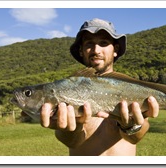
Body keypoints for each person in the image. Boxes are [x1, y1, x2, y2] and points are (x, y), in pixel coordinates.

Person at [40, 18, 159, 156]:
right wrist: (70, 129)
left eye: (103, 43)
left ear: (116, 49)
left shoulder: (130, 90)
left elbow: (134, 138)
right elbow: (72, 142)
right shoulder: (67, 90)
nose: (96, 50)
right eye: (89, 44)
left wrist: (131, 126)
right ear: (81, 50)